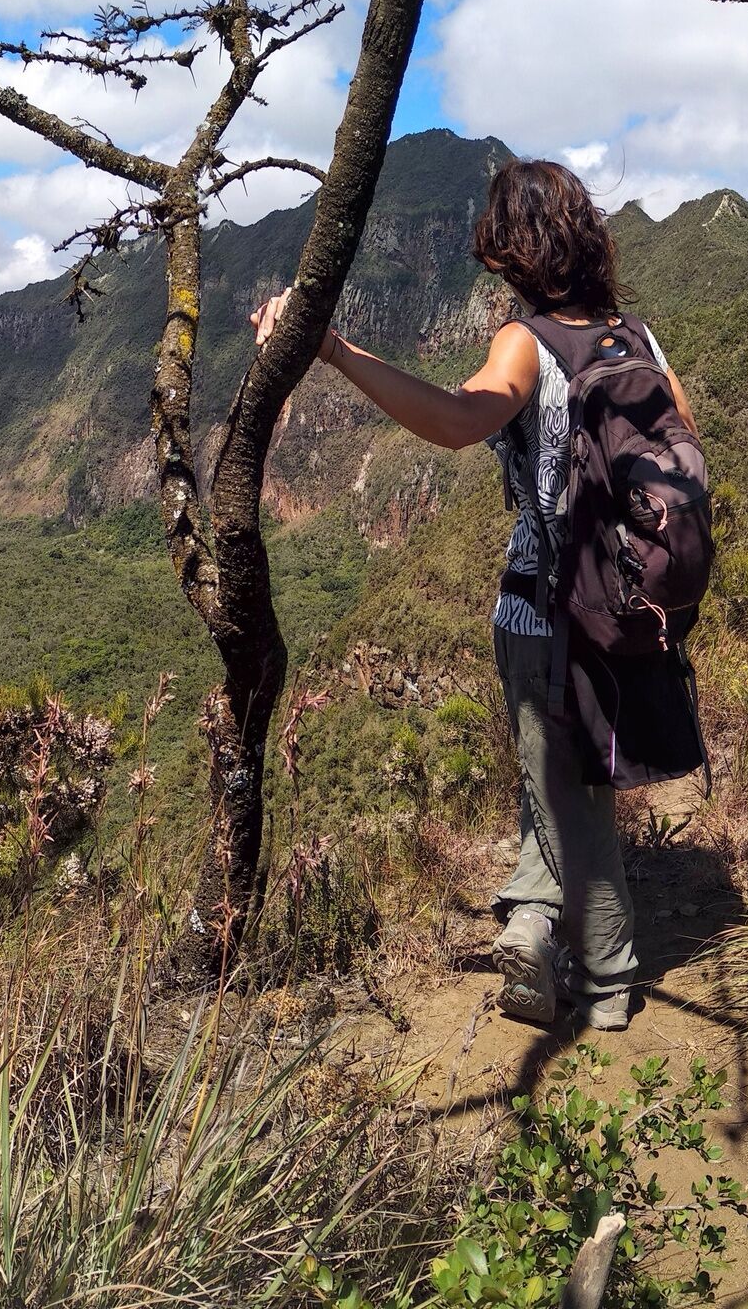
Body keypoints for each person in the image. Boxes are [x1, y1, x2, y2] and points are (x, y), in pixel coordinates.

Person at [249, 157, 690, 1032]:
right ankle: (536, 914)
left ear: (516, 251)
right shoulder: (637, 338)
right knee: (561, 775)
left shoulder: (528, 343)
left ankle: (602, 981)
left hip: (542, 608)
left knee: (569, 792)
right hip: (629, 599)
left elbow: (459, 419)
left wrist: (333, 349)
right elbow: (683, 452)